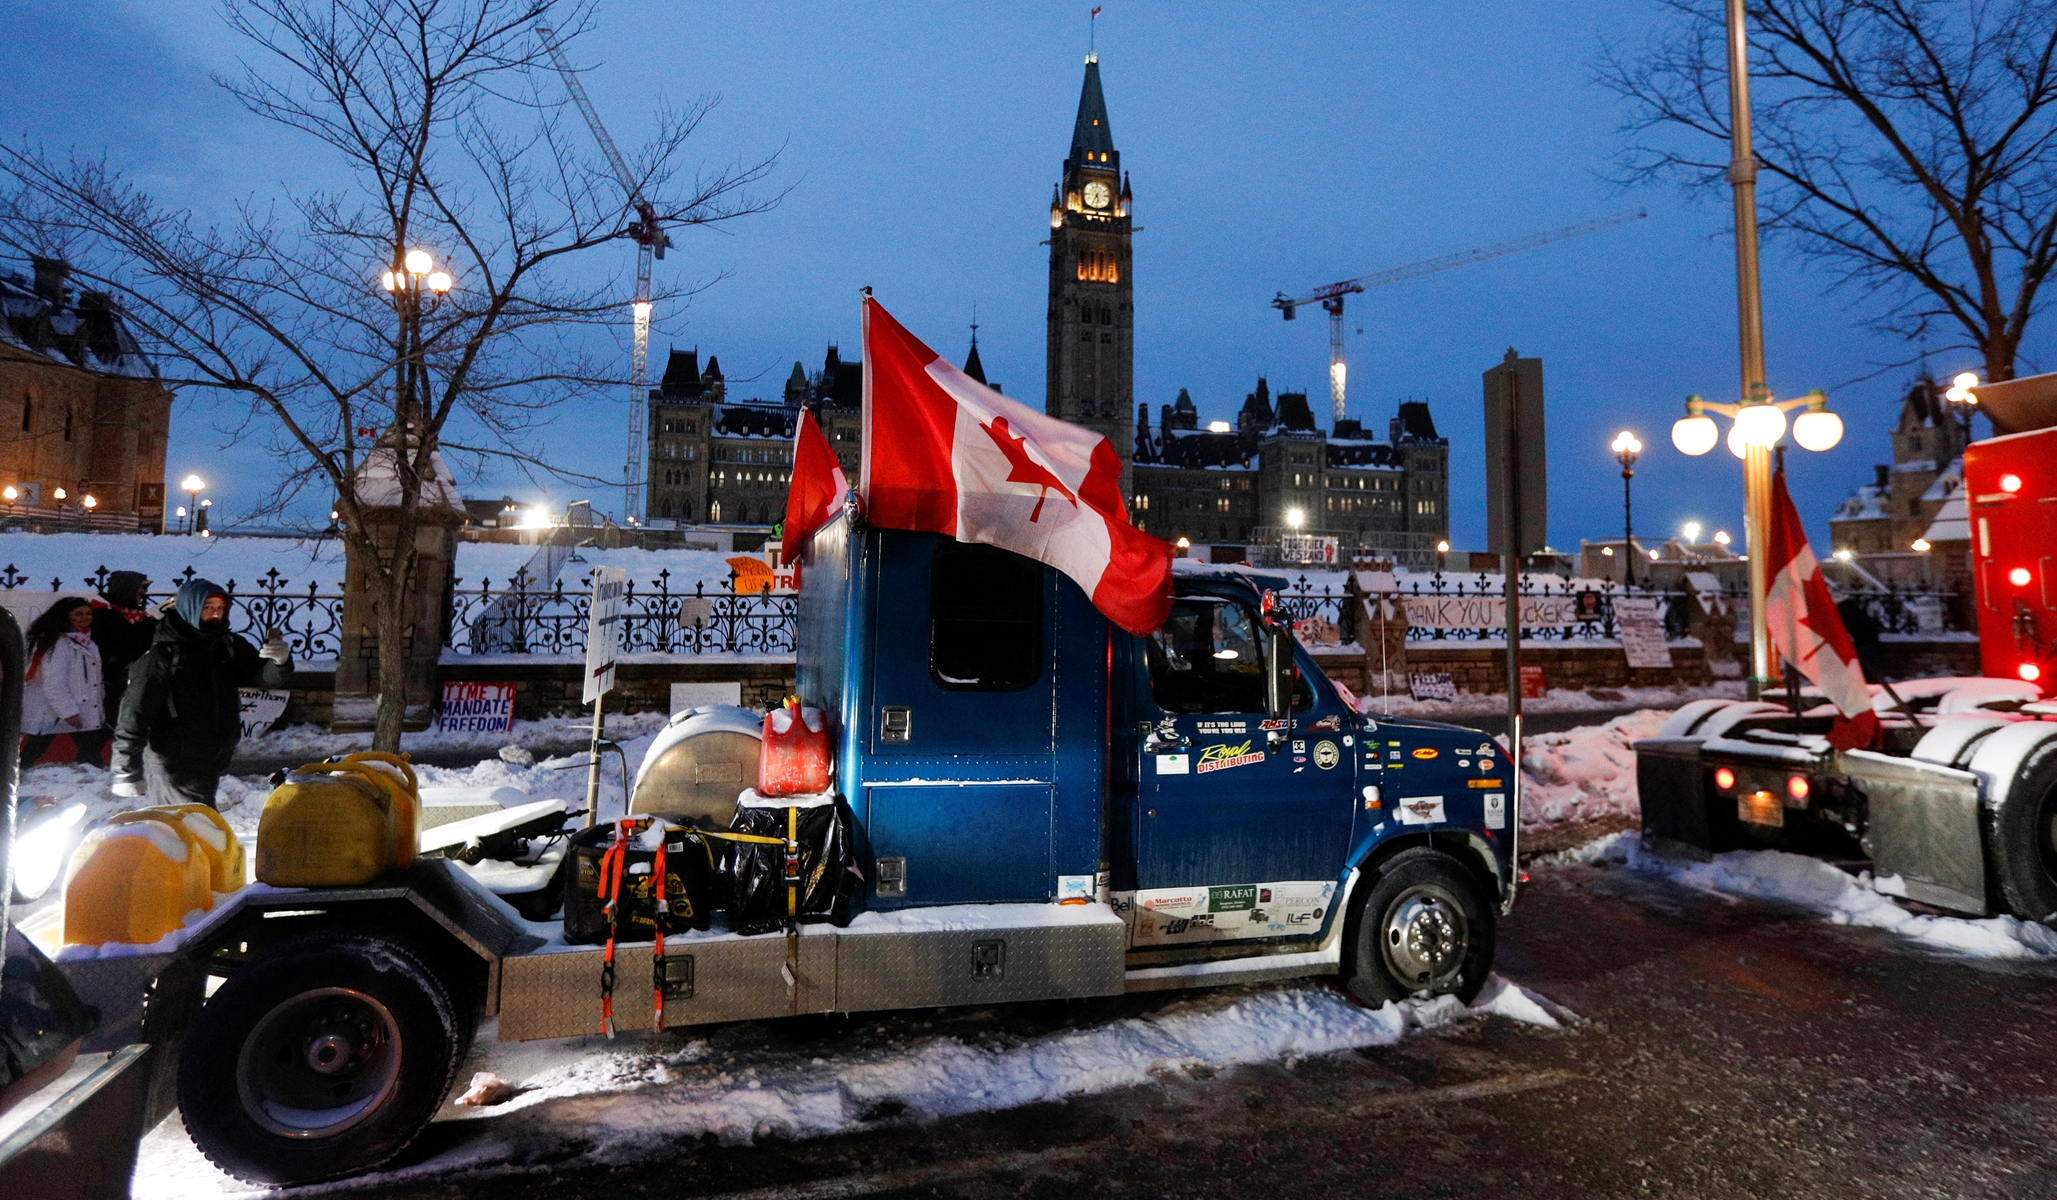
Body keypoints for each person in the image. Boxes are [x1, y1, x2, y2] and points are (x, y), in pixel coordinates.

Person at [112, 579, 292, 808]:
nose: (216, 615)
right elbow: (135, 710)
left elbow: (262, 679)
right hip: (173, 762)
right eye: (208, 608)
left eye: (220, 608)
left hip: (209, 758)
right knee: (194, 826)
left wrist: (279, 662)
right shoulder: (164, 654)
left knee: (188, 831)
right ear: (191, 608)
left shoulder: (226, 645)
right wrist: (125, 768)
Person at [21, 597, 108, 767]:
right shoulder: (59, 644)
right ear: (66, 616)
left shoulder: (89, 643)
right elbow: (54, 683)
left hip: (81, 707)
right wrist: (68, 712)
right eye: (78, 614)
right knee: (35, 748)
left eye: (88, 613)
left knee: (90, 750)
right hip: (55, 710)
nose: (85, 617)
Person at [90, 570, 157, 721]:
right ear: (127, 588)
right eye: (141, 587)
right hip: (108, 688)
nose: (144, 592)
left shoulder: (144, 618)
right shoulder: (101, 616)